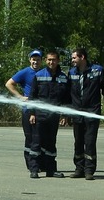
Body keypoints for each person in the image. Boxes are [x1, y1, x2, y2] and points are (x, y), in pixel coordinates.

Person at [67, 47, 104, 181]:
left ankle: (89, 170)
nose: (72, 60)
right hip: (76, 112)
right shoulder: (71, 73)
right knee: (78, 142)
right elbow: (67, 94)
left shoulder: (97, 71)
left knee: (90, 141)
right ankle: (79, 169)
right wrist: (67, 112)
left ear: (82, 57)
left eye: (74, 58)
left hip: (92, 111)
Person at [26, 50, 71, 179]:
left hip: (54, 116)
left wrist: (64, 115)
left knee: (51, 143)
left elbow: (66, 99)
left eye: (54, 60)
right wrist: (32, 113)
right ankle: (34, 169)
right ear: (46, 60)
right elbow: (32, 96)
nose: (51, 62)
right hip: (39, 115)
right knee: (36, 143)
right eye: (49, 60)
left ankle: (51, 170)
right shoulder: (39, 75)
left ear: (58, 61)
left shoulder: (63, 77)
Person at [4, 49, 43, 174]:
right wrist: (20, 97)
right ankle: (30, 164)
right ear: (30, 60)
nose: (35, 61)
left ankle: (39, 163)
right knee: (30, 137)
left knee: (40, 138)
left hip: (41, 111)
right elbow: (9, 84)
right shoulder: (26, 72)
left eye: (38, 59)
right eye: (33, 59)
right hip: (28, 110)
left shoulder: (44, 73)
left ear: (41, 61)